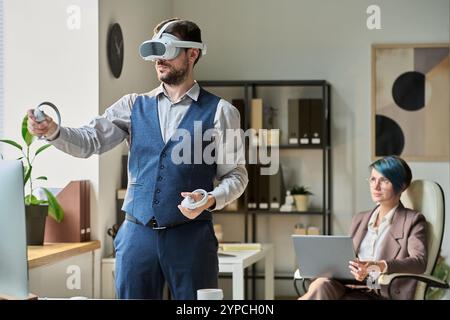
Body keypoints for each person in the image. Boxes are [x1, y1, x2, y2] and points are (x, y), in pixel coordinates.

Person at [27, 18, 248, 299]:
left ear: (192, 54)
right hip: (137, 236)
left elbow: (237, 175)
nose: (158, 59)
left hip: (191, 238)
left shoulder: (220, 112)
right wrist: (55, 131)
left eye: (166, 50)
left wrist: (212, 198)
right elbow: (89, 141)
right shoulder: (132, 106)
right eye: (155, 51)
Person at [299, 155, 427, 300]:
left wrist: (378, 266)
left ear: (402, 186)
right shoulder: (360, 219)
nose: (376, 186)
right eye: (373, 179)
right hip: (349, 284)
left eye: (384, 180)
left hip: (378, 290)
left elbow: (419, 262)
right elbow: (348, 259)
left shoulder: (412, 220)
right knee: (321, 284)